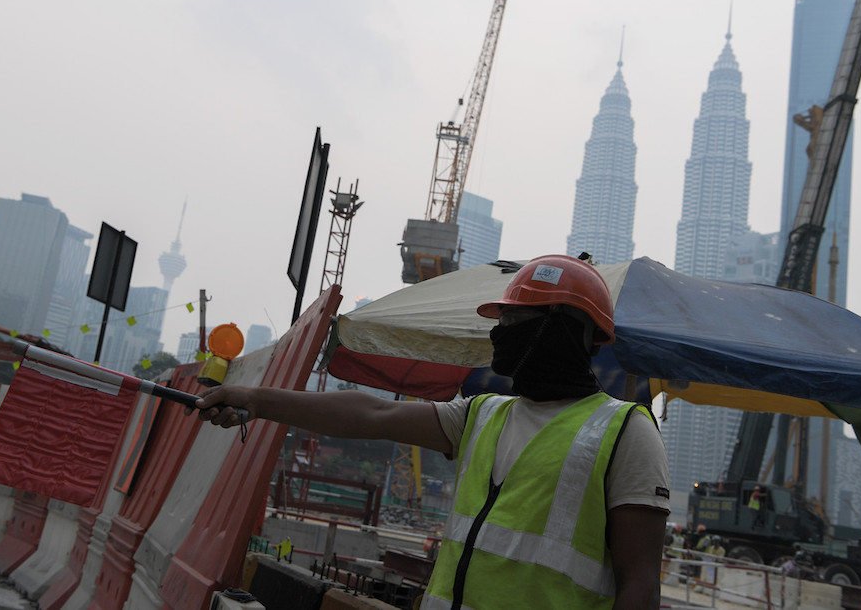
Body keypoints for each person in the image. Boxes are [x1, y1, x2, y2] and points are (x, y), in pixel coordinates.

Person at [192, 254, 671, 609]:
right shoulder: (483, 415)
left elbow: (640, 586)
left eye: (513, 320)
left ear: (564, 331)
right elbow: (370, 415)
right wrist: (255, 400)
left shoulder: (625, 432)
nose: (498, 334)